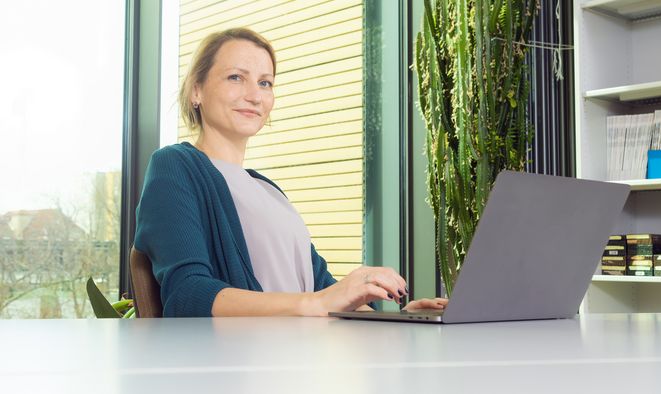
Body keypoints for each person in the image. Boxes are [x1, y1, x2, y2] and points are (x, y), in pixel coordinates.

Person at [134, 27, 448, 317]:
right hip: (244, 365)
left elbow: (321, 287)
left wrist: (398, 319)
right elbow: (188, 294)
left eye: (265, 83)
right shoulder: (175, 167)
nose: (255, 95)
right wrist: (318, 303)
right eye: (235, 77)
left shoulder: (268, 190)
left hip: (303, 356)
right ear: (196, 91)